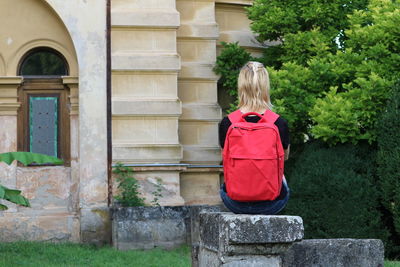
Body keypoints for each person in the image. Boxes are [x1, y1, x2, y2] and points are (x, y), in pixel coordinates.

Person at [219, 61, 290, 215]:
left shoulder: (227, 123)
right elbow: (283, 159)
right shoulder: (279, 123)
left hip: (234, 202)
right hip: (272, 203)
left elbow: (225, 158)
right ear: (266, 86)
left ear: (241, 86)